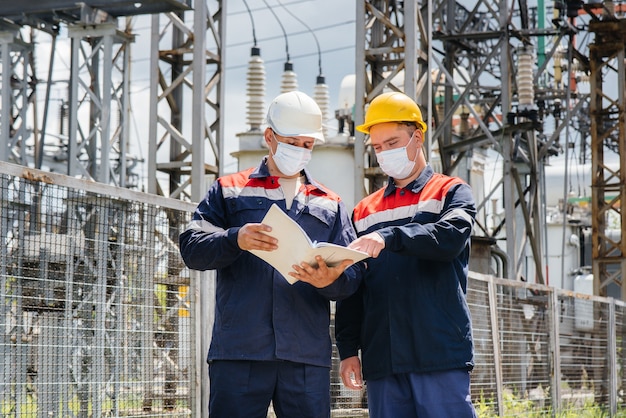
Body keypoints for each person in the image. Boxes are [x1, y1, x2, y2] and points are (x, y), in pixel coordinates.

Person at [179, 90, 363, 418]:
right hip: (240, 353)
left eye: (308, 145)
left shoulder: (329, 203)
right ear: (269, 136)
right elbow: (192, 247)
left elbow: (352, 279)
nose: (302, 151)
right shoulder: (229, 190)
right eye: (294, 142)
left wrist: (329, 280)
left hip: (305, 357)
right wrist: (235, 239)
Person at [335, 91, 478, 417]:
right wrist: (347, 349)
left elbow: (449, 238)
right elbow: (353, 288)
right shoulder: (363, 211)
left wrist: (388, 236)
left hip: (438, 353)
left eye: (393, 142)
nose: (384, 153)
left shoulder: (451, 191)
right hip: (383, 360)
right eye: (378, 147)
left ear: (417, 137)